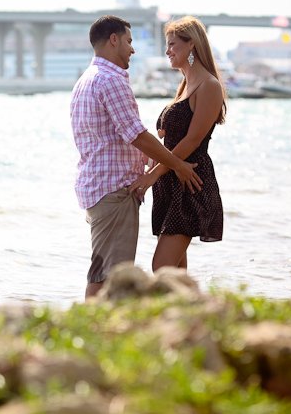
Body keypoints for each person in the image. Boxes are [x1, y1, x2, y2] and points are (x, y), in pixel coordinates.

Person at [71, 15, 203, 299]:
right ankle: (98, 323)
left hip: (97, 188)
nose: (132, 49)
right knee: (111, 277)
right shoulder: (110, 80)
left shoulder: (86, 79)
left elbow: (110, 138)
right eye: (129, 41)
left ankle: (91, 322)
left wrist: (152, 158)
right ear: (113, 40)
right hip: (114, 192)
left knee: (102, 271)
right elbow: (136, 135)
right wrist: (177, 164)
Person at [130, 16, 227, 273]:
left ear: (191, 44)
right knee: (176, 271)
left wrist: (152, 175)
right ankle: (192, 300)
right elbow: (171, 136)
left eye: (172, 44)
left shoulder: (209, 85)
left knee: (161, 267)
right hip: (170, 181)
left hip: (190, 182)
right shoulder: (185, 84)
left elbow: (193, 140)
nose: (167, 51)